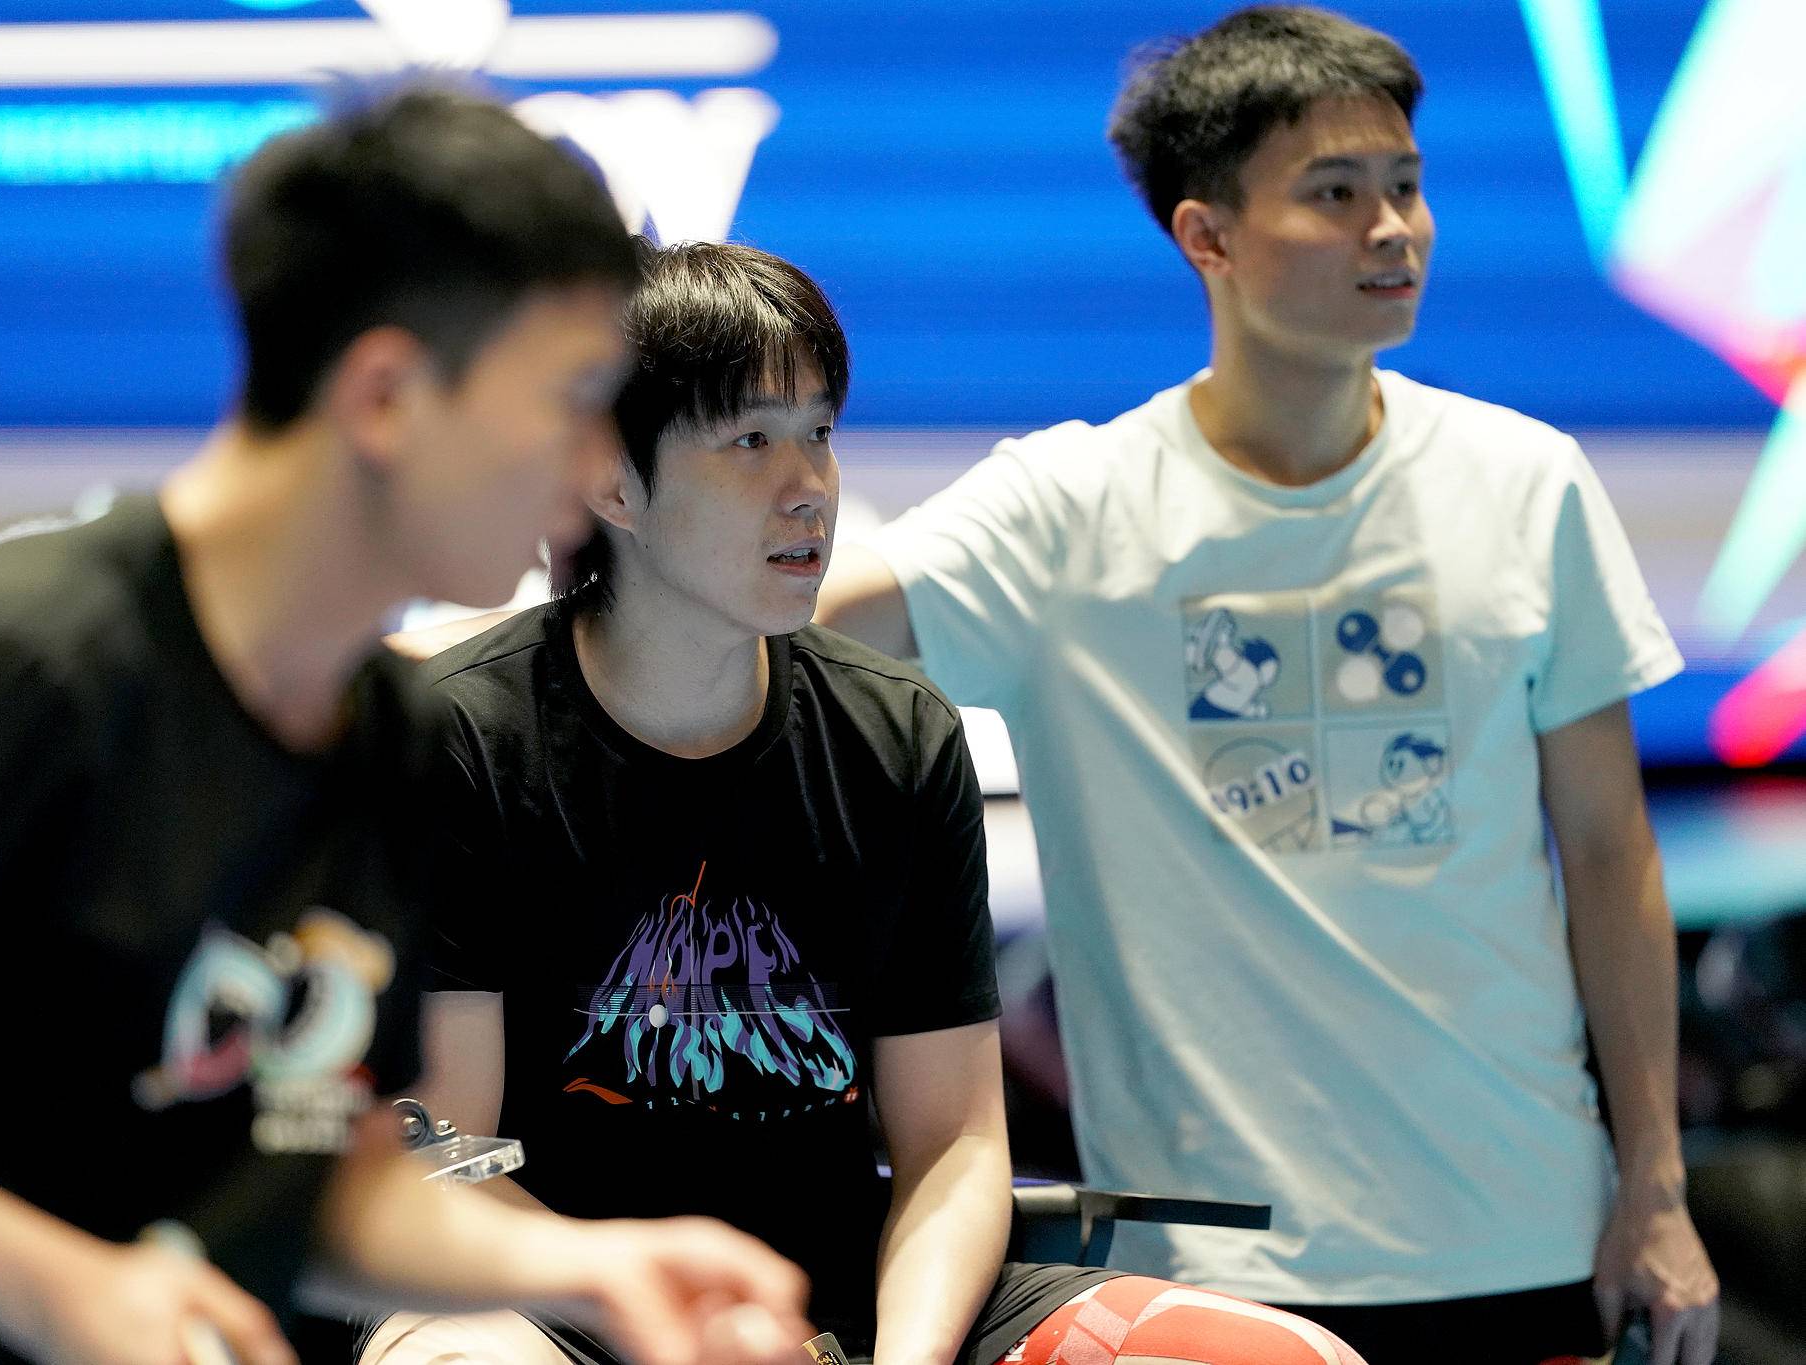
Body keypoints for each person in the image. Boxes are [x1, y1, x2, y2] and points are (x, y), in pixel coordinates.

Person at [814, 8, 1720, 1365]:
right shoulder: (1065, 510)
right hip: (1214, 1271)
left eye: (1406, 185)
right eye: (1335, 194)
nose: (1394, 229)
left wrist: (1654, 1187)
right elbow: (790, 616)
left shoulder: (1528, 485)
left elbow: (1608, 850)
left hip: (1523, 1237)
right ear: (1208, 237)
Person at [360, 239, 1367, 1365]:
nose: (809, 488)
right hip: (551, 1300)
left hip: (854, 1297)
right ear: (610, 481)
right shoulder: (460, 741)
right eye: (750, 441)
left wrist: (905, 1360)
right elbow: (451, 1161)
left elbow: (952, 1149)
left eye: (821, 434)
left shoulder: (899, 736)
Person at [0, 86, 811, 1365]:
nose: (597, 462)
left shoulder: (402, 743)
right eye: (573, 398)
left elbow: (328, 1180)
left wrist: (592, 1267)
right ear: (385, 396)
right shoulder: (33, 665)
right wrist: (55, 1288)